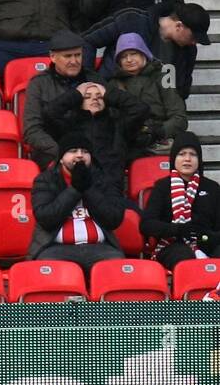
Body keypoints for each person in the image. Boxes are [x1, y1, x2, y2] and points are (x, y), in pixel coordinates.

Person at [27, 131, 126, 273]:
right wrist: (74, 190)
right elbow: (45, 217)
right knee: (50, 272)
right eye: (73, 151)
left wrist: (87, 188)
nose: (80, 155)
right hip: (55, 248)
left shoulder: (104, 179)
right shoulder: (45, 180)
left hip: (100, 247)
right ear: (61, 158)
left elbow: (114, 219)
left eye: (85, 151)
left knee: (118, 271)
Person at [83, 0, 211, 101]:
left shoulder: (188, 50)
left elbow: (181, 92)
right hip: (111, 99)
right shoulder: (132, 20)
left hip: (154, 115)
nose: (194, 42)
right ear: (179, 26)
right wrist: (91, 82)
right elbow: (87, 41)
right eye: (193, 37)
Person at [40, 71, 150, 187]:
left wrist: (109, 93)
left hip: (110, 191)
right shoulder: (69, 126)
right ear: (79, 101)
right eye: (87, 97)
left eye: (100, 97)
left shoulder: (119, 126)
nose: (95, 99)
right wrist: (76, 94)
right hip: (74, 190)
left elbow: (141, 109)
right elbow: (49, 113)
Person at [21, 29, 111, 168]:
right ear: (52, 57)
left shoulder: (94, 79)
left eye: (78, 55)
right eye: (68, 56)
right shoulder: (38, 83)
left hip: (93, 152)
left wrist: (88, 152)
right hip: (54, 153)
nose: (74, 61)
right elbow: (32, 131)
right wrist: (63, 151)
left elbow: (112, 118)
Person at [141, 132, 220, 269]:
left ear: (199, 159)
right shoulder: (162, 186)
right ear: (174, 158)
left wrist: (209, 237)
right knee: (185, 256)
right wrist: (177, 229)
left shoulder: (212, 187)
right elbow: (147, 224)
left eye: (193, 154)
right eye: (182, 154)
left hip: (207, 243)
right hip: (172, 244)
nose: (187, 159)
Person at [106, 32, 188, 157]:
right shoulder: (113, 84)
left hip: (160, 141)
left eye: (133, 54)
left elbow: (179, 117)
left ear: (143, 54)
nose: (129, 60)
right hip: (128, 144)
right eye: (123, 56)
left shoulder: (163, 76)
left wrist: (159, 132)